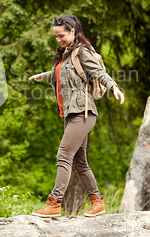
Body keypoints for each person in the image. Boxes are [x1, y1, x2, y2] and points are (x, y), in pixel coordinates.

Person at [28, 15, 125, 217]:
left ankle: (55, 202)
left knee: (63, 155)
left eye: (61, 36)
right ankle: (97, 202)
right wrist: (44, 76)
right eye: (56, 37)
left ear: (72, 31)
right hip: (71, 113)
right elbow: (63, 74)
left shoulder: (81, 52)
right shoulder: (66, 54)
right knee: (80, 162)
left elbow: (99, 73)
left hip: (84, 112)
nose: (59, 40)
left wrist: (114, 87)